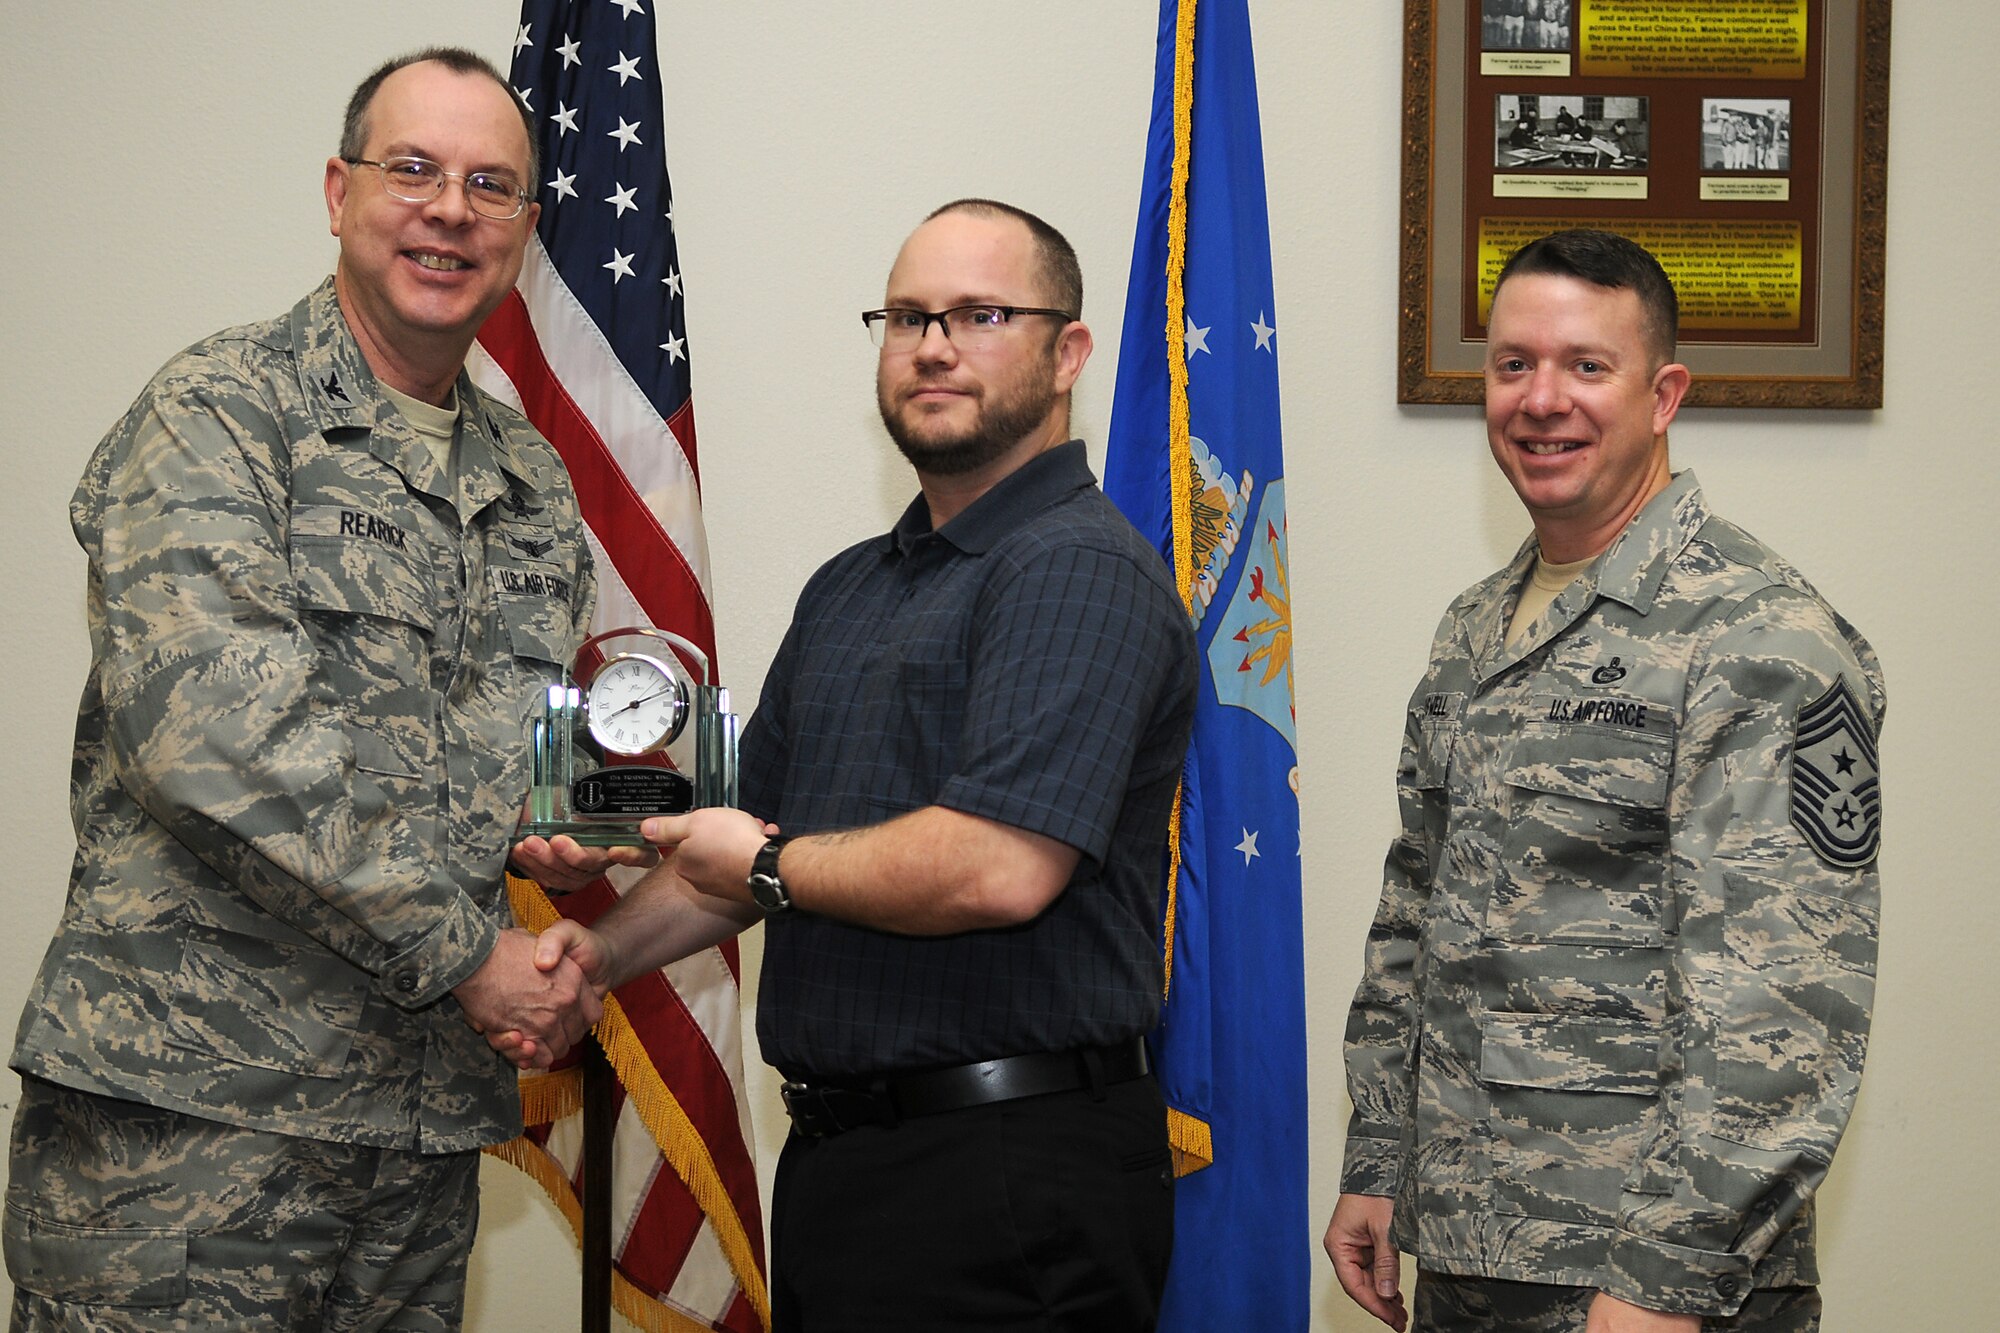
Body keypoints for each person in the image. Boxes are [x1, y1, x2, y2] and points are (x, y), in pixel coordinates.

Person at [5, 47, 636, 1331]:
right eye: (412, 170)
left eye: (491, 185)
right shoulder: (220, 413)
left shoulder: (529, 481)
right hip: (191, 1128)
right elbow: (218, 744)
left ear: (524, 229)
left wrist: (565, 836)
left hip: (411, 1139)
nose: (450, 209)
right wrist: (474, 955)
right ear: (339, 192)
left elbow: (493, 762)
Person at [512, 199, 1198, 1332]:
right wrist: (596, 956)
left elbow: (997, 866)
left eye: (980, 315)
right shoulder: (850, 587)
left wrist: (770, 861)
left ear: (1066, 351)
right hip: (849, 1173)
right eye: (906, 317)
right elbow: (725, 852)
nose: (932, 345)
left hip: (1008, 1178)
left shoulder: (1077, 570)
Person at [1324, 230, 1882, 1333]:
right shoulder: (1474, 627)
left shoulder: (1759, 635)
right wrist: (1379, 1152)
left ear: (1661, 392)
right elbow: (1416, 919)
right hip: (1468, 1255)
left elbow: (1785, 1000)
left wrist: (1662, 1281)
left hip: (1644, 1282)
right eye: (1512, 364)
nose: (1541, 401)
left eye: (1586, 366)